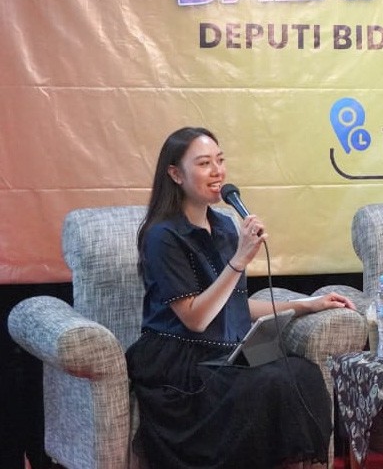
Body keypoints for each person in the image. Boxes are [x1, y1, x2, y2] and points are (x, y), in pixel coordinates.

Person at [125, 127, 356, 469]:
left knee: (301, 373)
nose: (217, 171)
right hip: (181, 363)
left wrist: (305, 305)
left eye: (220, 161)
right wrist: (239, 260)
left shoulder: (223, 225)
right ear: (175, 174)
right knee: (269, 383)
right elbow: (196, 317)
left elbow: (232, 303)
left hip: (225, 353)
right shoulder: (162, 236)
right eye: (204, 163)